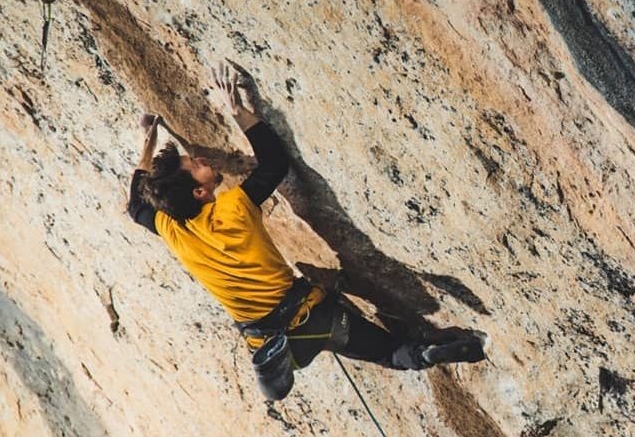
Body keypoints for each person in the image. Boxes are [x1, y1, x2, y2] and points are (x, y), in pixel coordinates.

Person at [127, 63, 486, 401]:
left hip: (287, 335)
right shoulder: (234, 208)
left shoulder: (172, 231)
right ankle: (430, 349)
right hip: (314, 311)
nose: (201, 159)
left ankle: (427, 352)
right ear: (199, 192)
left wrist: (148, 142)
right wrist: (237, 110)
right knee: (391, 349)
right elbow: (274, 163)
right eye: (196, 165)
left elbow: (136, 205)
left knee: (390, 355)